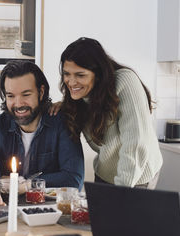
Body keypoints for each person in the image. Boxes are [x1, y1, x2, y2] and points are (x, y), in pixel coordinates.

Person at [52, 37, 162, 188]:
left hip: (137, 176)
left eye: (80, 75)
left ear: (98, 74)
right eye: (67, 74)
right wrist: (63, 106)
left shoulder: (125, 81)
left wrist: (120, 190)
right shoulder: (79, 98)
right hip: (105, 173)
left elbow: (135, 143)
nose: (71, 82)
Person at [0, 60, 84, 205]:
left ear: (41, 92)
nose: (18, 104)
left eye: (26, 94)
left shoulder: (62, 123)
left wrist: (26, 185)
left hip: (49, 213)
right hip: (7, 208)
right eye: (11, 96)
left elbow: (73, 180)